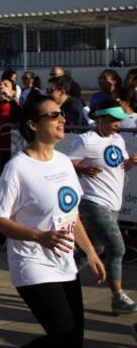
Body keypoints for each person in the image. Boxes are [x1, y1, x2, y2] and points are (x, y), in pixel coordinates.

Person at [0, 95, 107, 348]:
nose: (62, 119)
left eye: (62, 113)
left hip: (64, 261)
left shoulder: (65, 163)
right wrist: (38, 236)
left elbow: (72, 215)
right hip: (32, 263)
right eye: (53, 115)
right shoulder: (18, 167)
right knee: (64, 333)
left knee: (71, 340)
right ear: (33, 125)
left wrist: (90, 252)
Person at [65, 100, 137, 313]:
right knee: (117, 247)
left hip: (112, 204)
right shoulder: (86, 140)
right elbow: (65, 163)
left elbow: (120, 167)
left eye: (119, 120)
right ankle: (118, 296)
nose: (117, 124)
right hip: (93, 202)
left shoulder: (118, 140)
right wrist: (82, 169)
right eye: (113, 120)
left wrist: (131, 163)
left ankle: (60, 280)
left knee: (93, 249)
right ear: (100, 119)